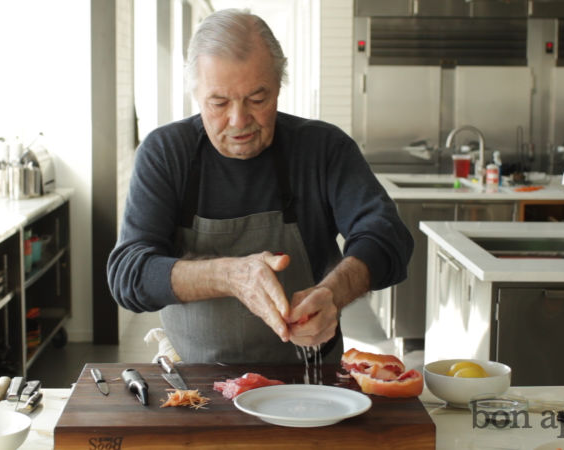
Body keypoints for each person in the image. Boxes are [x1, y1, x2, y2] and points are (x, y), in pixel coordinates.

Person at [107, 9, 413, 364]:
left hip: (310, 375)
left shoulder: (323, 148)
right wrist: (229, 275)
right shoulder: (166, 153)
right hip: (193, 380)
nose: (239, 121)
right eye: (219, 103)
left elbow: (387, 236)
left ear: (279, 86)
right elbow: (129, 274)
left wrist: (332, 292)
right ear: (196, 94)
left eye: (257, 99)